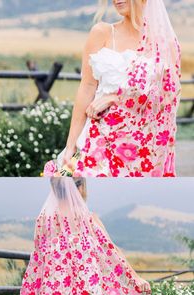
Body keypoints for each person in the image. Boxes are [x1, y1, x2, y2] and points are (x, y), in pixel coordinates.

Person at [12, 177, 159, 295]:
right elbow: (112, 251)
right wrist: (134, 277)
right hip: (87, 290)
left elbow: (37, 260)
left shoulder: (44, 220)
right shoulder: (88, 219)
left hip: (53, 292)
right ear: (80, 187)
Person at [43, 0, 181, 177]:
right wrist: (70, 146)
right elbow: (87, 87)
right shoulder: (102, 33)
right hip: (98, 140)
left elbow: (167, 102)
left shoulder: (166, 44)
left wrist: (116, 98)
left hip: (143, 151)